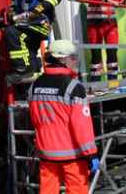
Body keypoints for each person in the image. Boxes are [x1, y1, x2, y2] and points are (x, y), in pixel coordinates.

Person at [28, 40, 99, 194]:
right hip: (72, 154)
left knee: (47, 191)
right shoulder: (74, 87)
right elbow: (81, 126)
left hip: (46, 153)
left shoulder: (35, 85)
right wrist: (91, 153)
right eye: (73, 57)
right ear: (63, 60)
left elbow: (35, 118)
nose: (75, 61)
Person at [5, 0, 62, 83]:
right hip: (25, 23)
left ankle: (22, 70)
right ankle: (30, 71)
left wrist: (39, 8)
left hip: (41, 22)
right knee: (24, 42)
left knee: (12, 32)